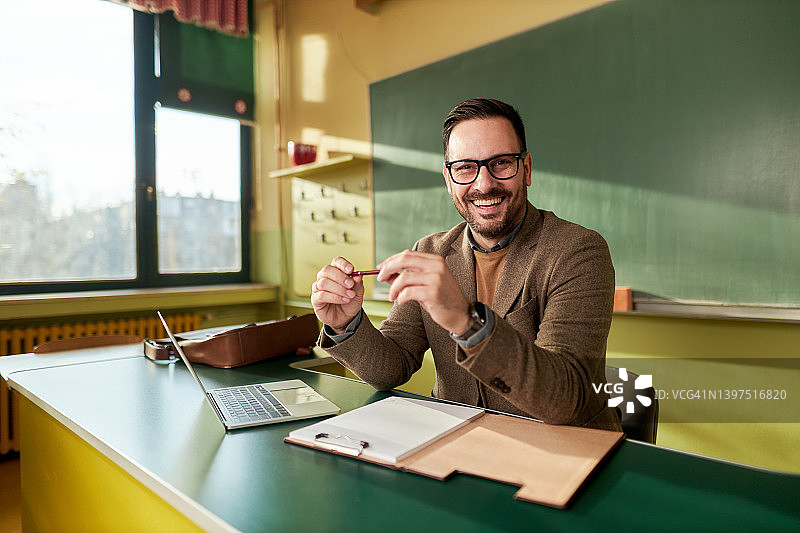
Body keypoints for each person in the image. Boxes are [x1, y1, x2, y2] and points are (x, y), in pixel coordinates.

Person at [310, 98, 621, 431]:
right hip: (459, 445)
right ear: (448, 178)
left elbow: (565, 400)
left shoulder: (579, 251)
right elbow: (391, 368)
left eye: (501, 163)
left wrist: (466, 321)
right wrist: (347, 324)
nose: (484, 184)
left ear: (526, 169)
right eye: (465, 168)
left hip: (565, 454)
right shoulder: (429, 252)